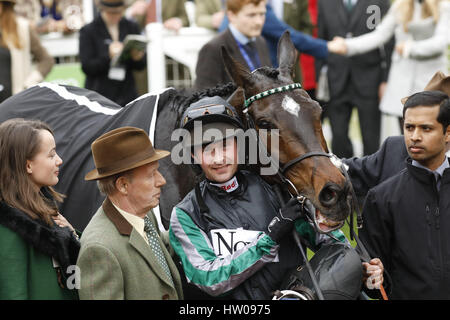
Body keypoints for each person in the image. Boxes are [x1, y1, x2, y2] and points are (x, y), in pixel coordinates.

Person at [169, 96, 383, 299]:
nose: (219, 158)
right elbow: (208, 280)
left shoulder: (277, 189)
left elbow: (333, 244)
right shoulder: (185, 215)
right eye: (208, 150)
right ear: (193, 155)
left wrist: (363, 267)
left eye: (225, 146)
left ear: (239, 145)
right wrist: (270, 237)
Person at [359, 73, 450, 299]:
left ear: (448, 133)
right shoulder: (380, 198)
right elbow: (372, 278)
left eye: (426, 129)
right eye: (409, 128)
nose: (415, 137)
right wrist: (370, 276)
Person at [77, 126, 183, 300]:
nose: (162, 181)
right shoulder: (99, 249)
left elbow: (157, 247)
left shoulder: (144, 216)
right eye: (151, 175)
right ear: (123, 185)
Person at [331, 0, 450, 132]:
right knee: (407, 135)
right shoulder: (400, 6)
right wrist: (347, 45)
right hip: (402, 82)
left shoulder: (444, 6)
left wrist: (410, 48)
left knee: (434, 131)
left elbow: (441, 41)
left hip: (431, 81)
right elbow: (379, 35)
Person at [0, 118, 80, 300]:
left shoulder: (48, 212)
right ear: (28, 165)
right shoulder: (8, 226)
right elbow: (13, 294)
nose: (59, 160)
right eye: (51, 155)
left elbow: (75, 284)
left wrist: (72, 235)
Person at [316, 0, 394, 158]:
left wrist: (385, 80)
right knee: (338, 137)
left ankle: (371, 178)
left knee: (370, 138)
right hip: (337, 79)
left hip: (370, 79)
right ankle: (346, 176)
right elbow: (321, 41)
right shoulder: (325, 3)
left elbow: (388, 42)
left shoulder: (378, 2)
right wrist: (320, 78)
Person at [79, 0, 146, 106]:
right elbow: (87, 66)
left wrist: (136, 57)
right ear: (102, 10)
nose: (116, 16)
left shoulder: (131, 27)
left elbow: (141, 65)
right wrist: (108, 56)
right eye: (111, 13)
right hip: (99, 95)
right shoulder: (89, 31)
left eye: (119, 12)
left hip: (126, 93)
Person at [194, 0, 272, 90]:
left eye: (262, 14)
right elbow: (204, 97)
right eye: (251, 15)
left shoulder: (261, 42)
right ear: (231, 16)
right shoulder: (213, 49)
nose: (258, 22)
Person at [0, 0, 54, 103]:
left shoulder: (22, 28)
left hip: (13, 102)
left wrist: (29, 84)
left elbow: (46, 60)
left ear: (5, 5)